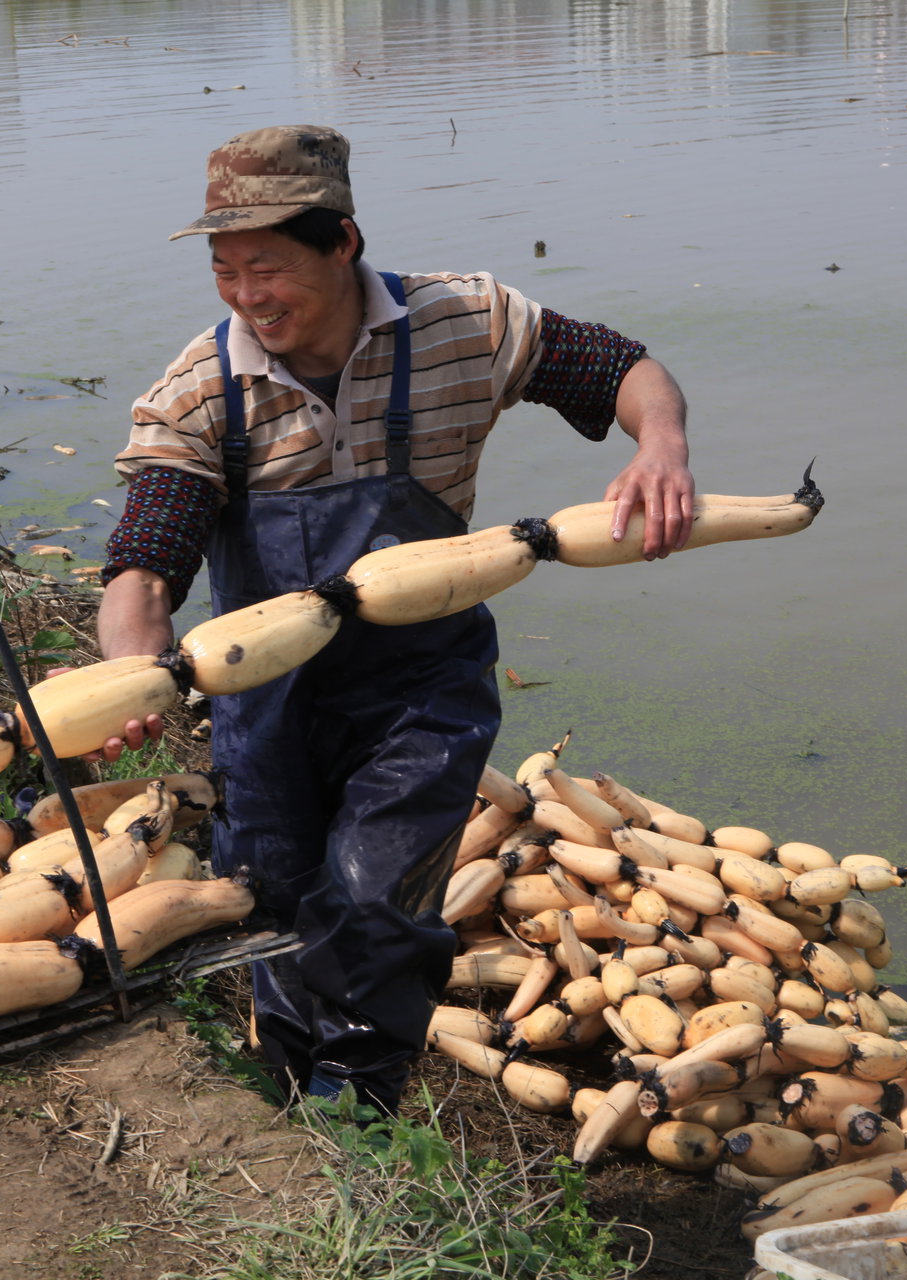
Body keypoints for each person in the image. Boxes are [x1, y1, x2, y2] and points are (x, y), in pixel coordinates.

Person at [93, 125, 693, 1115]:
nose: (248, 295)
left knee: (375, 896)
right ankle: (282, 1092)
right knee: (276, 897)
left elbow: (621, 368)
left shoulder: (464, 322)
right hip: (267, 698)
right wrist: (128, 670)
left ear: (343, 244)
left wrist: (661, 444)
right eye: (226, 270)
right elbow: (147, 561)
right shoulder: (201, 394)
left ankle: (357, 1106)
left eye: (269, 268)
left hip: (423, 683)